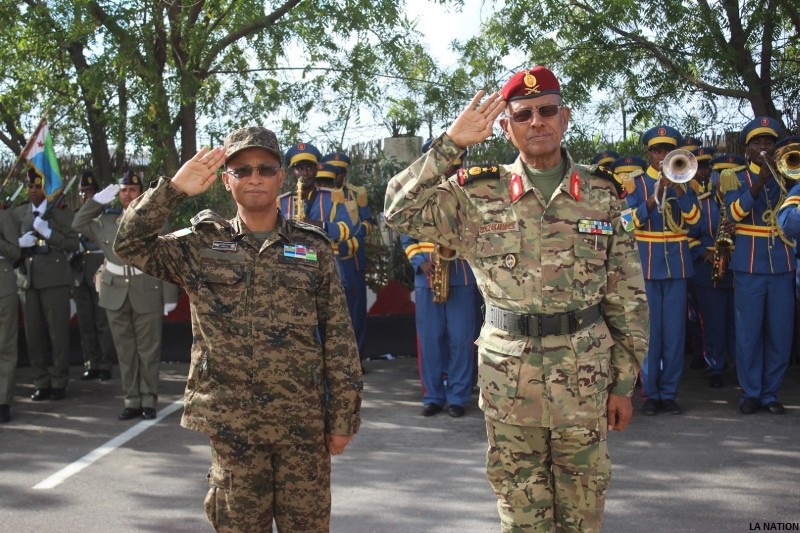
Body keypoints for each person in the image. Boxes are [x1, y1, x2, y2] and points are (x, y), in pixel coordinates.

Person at [384, 66, 648, 532]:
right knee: (520, 510)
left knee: (584, 508)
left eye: (547, 110)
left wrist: (624, 382)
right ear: (505, 127)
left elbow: (626, 295)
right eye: (522, 114)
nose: (537, 122)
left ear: (564, 118)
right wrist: (452, 142)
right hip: (509, 380)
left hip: (583, 376)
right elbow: (398, 208)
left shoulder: (603, 195)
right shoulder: (474, 195)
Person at [113, 126, 363, 532]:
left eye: (265, 169)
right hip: (234, 430)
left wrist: (343, 417)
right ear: (226, 180)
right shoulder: (199, 246)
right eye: (242, 170)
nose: (255, 178)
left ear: (281, 177)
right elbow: (128, 244)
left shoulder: (311, 246)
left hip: (302, 428)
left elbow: (338, 335)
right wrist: (174, 189)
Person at [72, 170, 178, 421]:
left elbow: (168, 256)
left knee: (148, 350)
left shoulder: (155, 220)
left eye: (132, 189)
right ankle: (131, 400)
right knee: (125, 350)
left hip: (146, 287)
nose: (127, 194)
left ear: (141, 192)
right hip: (114, 289)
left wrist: (169, 293)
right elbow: (77, 224)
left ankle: (149, 399)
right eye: (123, 190)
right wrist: (96, 201)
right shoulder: (105, 222)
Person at [625, 125, 701, 416]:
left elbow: (694, 220)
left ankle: (669, 392)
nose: (662, 156)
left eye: (668, 151)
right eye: (657, 151)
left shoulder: (687, 182)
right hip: (646, 267)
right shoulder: (635, 184)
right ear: (649, 153)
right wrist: (652, 197)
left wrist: (679, 188)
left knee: (674, 335)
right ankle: (650, 394)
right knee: (649, 334)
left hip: (678, 268)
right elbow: (625, 223)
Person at [724, 117, 793, 415]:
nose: (763, 147)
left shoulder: (790, 175)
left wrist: (781, 178)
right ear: (747, 148)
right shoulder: (734, 177)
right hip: (749, 264)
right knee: (748, 333)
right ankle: (750, 392)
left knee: (780, 333)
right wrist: (759, 183)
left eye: (769, 142)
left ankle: (770, 392)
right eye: (757, 142)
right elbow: (733, 213)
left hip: (782, 263)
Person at [11, 168, 79, 401]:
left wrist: (48, 233)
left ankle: (59, 380)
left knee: (58, 334)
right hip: (27, 281)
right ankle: (41, 381)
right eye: (30, 186)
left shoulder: (61, 212)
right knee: (33, 335)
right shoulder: (19, 212)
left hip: (55, 280)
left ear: (46, 188)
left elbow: (72, 243)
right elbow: (8, 245)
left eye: (38, 186)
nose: (33, 191)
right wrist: (19, 243)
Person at [687, 151, 739, 388]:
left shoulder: (742, 202)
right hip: (709, 269)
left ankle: (740, 366)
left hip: (738, 267)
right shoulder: (702, 201)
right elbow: (690, 235)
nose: (722, 177)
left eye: (730, 173)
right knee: (713, 322)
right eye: (719, 172)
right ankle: (715, 367)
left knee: (737, 323)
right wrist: (704, 253)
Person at [73, 170, 116, 381]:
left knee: (102, 322)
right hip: (79, 272)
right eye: (81, 192)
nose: (84, 195)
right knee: (86, 323)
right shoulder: (76, 213)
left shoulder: (105, 214)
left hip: (98, 270)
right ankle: (91, 362)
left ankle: (105, 364)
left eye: (88, 191)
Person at [0, 204, 20, 422]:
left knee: (5, 345)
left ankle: (3, 401)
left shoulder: (4, 216)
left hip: (2, 287)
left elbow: (15, 252)